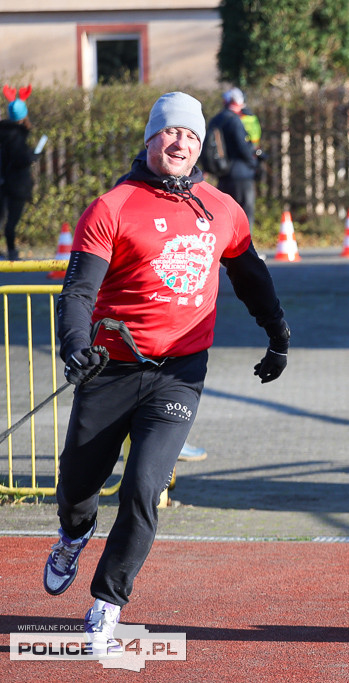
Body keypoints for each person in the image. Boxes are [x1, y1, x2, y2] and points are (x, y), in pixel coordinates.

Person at [42, 91, 291, 657]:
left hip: (178, 373)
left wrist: (277, 334)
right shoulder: (112, 207)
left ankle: (107, 601)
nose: (180, 143)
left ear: (201, 145)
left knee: (144, 487)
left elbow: (251, 276)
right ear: (151, 138)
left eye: (191, 136)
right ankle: (72, 535)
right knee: (78, 487)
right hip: (110, 367)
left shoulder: (221, 208)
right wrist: (75, 345)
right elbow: (79, 290)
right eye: (170, 133)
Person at [205, 87, 259, 226]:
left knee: (226, 214)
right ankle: (244, 247)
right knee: (245, 215)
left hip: (223, 173)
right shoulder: (234, 120)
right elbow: (242, 147)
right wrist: (253, 162)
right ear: (238, 103)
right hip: (241, 175)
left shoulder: (216, 119)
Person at [0, 85, 39, 260]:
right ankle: (12, 252)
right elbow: (19, 159)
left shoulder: (4, 132)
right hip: (16, 184)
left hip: (2, 181)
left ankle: (8, 251)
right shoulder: (17, 135)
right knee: (12, 221)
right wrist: (32, 156)